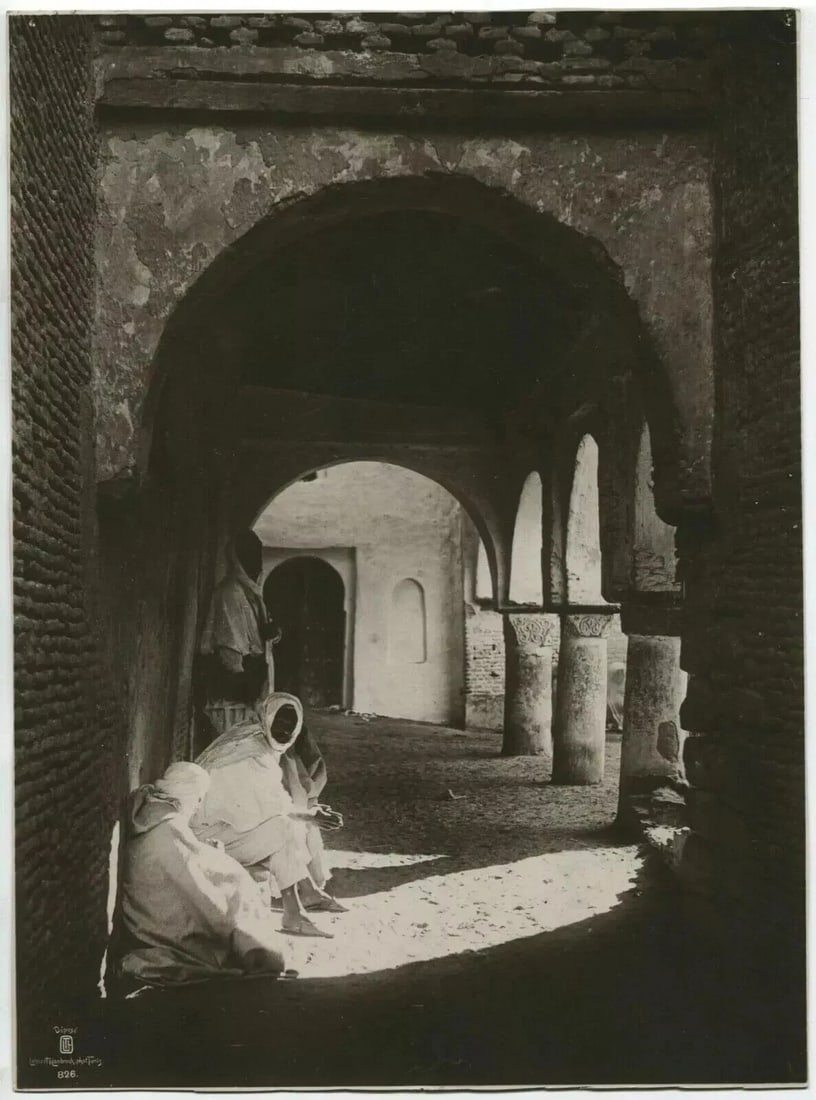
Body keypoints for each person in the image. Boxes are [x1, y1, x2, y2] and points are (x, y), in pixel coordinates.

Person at [118, 762, 288, 987]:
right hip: (154, 912)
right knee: (235, 888)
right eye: (198, 798)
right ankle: (254, 953)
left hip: (145, 902)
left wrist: (206, 852)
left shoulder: (151, 810)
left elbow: (185, 858)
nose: (198, 806)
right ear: (188, 793)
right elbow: (193, 879)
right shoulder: (169, 825)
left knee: (231, 879)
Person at [191, 691, 345, 938]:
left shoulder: (254, 736)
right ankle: (296, 911)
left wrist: (309, 813)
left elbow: (271, 803)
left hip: (221, 828)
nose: (285, 730)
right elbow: (269, 811)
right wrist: (310, 816)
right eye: (280, 721)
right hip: (203, 837)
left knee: (284, 826)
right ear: (266, 717)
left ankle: (301, 902)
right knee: (284, 827)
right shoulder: (251, 754)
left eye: (292, 724)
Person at [197, 529, 282, 745]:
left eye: (258, 556)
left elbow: (257, 636)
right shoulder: (230, 592)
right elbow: (229, 647)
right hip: (235, 689)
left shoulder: (252, 593)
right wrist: (245, 686)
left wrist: (271, 633)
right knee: (233, 747)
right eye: (251, 556)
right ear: (238, 559)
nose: (257, 563)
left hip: (250, 686)